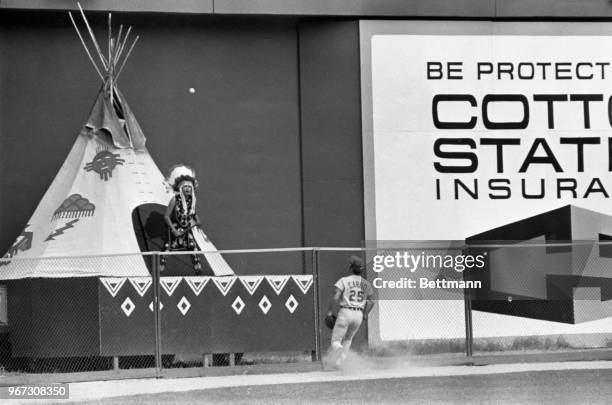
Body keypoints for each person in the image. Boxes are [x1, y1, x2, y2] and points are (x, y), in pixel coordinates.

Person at [325, 255, 374, 369]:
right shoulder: (366, 284)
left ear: (351, 268)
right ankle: (339, 363)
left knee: (335, 342)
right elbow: (371, 302)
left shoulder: (344, 280)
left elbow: (336, 297)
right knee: (348, 339)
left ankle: (341, 352)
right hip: (358, 314)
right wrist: (365, 313)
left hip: (346, 312)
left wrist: (329, 312)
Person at [161, 164, 203, 274]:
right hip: (174, 229)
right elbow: (166, 216)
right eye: (185, 186)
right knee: (167, 247)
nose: (188, 188)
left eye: (189, 187)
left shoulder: (192, 201)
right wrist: (174, 230)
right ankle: (159, 269)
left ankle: (198, 269)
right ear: (180, 188)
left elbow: (193, 213)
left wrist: (197, 220)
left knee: (193, 246)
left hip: (186, 228)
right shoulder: (174, 200)